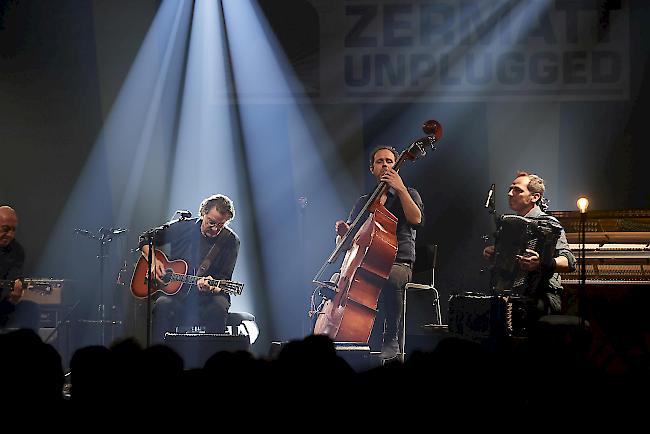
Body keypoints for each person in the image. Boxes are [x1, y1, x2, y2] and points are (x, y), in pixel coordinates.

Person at [335, 146, 424, 360]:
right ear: (372, 169)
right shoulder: (363, 202)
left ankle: (391, 337)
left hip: (399, 263)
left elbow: (416, 220)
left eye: (390, 161)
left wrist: (400, 189)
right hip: (366, 263)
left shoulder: (408, 194)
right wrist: (342, 235)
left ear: (397, 166)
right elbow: (346, 244)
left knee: (391, 278)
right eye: (379, 161)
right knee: (337, 280)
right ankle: (347, 338)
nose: (385, 165)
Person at [139, 194, 240, 343]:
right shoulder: (182, 227)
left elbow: (225, 280)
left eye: (221, 225)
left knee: (219, 307)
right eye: (211, 222)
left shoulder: (230, 240)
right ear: (203, 213)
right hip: (176, 295)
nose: (215, 229)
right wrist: (154, 262)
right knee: (162, 305)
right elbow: (145, 239)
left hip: (209, 299)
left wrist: (212, 287)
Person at [483, 172, 576, 325]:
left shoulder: (549, 225)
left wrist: (542, 262)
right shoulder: (508, 224)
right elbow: (507, 259)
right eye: (510, 188)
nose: (510, 193)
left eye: (517, 190)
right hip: (512, 292)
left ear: (535, 197)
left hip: (543, 294)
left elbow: (569, 261)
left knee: (519, 312)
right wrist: (494, 253)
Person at [0, 206, 40, 331]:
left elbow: (13, 283)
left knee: (31, 309)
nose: (10, 235)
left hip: (2, 305)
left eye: (13, 230)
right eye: (5, 229)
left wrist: (14, 298)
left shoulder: (17, 251)